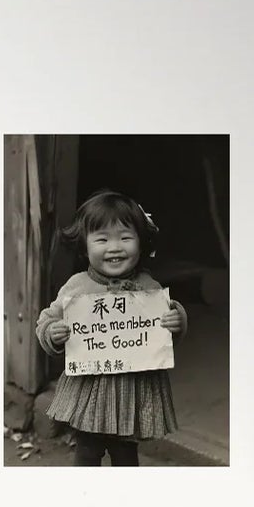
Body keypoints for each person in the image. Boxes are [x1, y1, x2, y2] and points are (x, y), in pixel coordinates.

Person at [35, 190, 187, 467]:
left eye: (125, 238)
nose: (114, 247)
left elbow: (164, 331)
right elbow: (46, 320)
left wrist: (176, 322)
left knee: (126, 456)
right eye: (102, 239)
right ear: (85, 246)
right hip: (89, 391)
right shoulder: (77, 286)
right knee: (87, 453)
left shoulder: (149, 288)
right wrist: (52, 332)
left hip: (132, 393)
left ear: (141, 244)